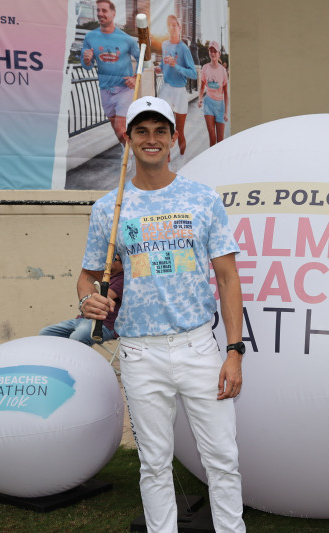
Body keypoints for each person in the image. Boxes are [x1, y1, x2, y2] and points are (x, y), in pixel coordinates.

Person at [78, 96, 246, 532]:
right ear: (128, 139)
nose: (151, 139)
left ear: (173, 138)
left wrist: (234, 351)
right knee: (153, 463)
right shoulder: (109, 208)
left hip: (198, 347)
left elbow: (228, 278)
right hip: (139, 352)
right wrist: (87, 301)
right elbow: (88, 276)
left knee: (222, 459)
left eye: (160, 131)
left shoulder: (202, 199)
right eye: (142, 131)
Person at [81, 0, 140, 146]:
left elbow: (143, 59)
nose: (100, 14)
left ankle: (131, 155)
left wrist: (135, 78)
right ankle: (128, 150)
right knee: (117, 130)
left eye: (104, 10)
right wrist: (87, 60)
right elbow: (87, 66)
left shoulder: (126, 39)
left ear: (113, 13)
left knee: (120, 128)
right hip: (105, 90)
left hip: (124, 89)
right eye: (98, 10)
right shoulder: (90, 37)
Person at [39, 257, 123, 345]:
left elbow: (101, 296)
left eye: (114, 259)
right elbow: (87, 284)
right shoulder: (106, 277)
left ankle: (76, 354)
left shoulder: (122, 280)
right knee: (46, 333)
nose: (109, 261)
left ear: (123, 265)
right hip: (83, 319)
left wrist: (90, 288)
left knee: (77, 338)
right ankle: (60, 354)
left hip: (103, 324)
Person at [157, 15, 197, 160]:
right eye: (169, 25)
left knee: (179, 131)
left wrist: (176, 66)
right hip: (166, 89)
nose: (172, 27)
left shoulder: (184, 49)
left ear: (180, 28)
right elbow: (163, 65)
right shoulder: (164, 45)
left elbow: (193, 74)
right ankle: (166, 160)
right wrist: (159, 68)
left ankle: (182, 160)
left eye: (175, 25)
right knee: (164, 127)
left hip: (180, 92)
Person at [198, 41, 229, 146]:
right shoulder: (205, 68)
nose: (212, 53)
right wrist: (200, 99)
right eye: (211, 51)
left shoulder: (223, 71)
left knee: (220, 142)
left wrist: (226, 112)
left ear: (219, 53)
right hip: (208, 105)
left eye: (215, 51)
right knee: (212, 138)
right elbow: (202, 86)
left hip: (220, 107)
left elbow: (226, 93)